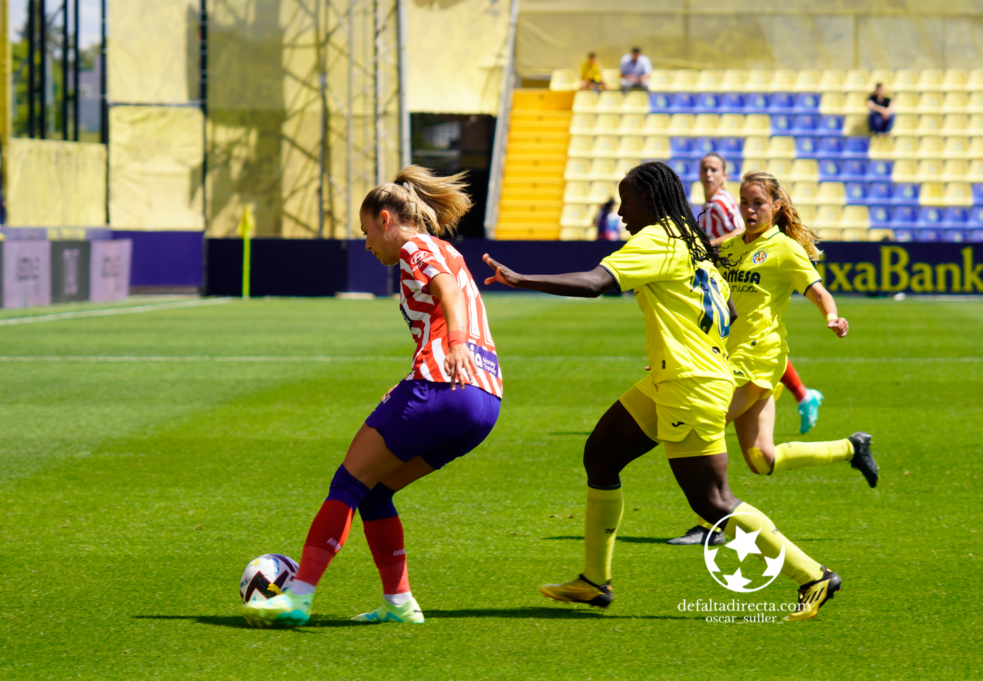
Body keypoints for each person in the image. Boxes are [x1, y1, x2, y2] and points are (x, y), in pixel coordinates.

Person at [484, 161, 843, 621]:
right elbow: (729, 307)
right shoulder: (691, 241)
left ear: (650, 201)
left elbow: (596, 284)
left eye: (626, 201)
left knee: (712, 502)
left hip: (690, 384)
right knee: (601, 455)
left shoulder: (656, 239)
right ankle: (595, 581)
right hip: (675, 376)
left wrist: (521, 280)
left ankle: (814, 575)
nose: (620, 212)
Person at [242, 167, 503, 628]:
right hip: (483, 401)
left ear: (386, 219)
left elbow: (446, 294)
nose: (367, 244)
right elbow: (442, 308)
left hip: (443, 383)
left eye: (366, 231)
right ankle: (399, 604)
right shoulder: (447, 249)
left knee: (348, 483)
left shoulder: (415, 247)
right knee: (377, 491)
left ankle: (297, 597)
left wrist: (457, 343)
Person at [669, 171, 878, 548]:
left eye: (758, 203)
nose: (749, 210)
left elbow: (818, 292)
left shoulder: (784, 248)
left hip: (759, 359)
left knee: (706, 425)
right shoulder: (730, 247)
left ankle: (708, 523)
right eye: (745, 203)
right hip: (730, 357)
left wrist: (831, 316)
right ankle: (851, 448)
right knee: (761, 460)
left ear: (776, 207)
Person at [698, 152, 823, 434]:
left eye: (714, 169)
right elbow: (737, 242)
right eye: (704, 169)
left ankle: (797, 393)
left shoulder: (722, 204)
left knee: (706, 425)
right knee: (761, 459)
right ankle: (804, 399)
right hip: (735, 330)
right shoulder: (713, 205)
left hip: (754, 350)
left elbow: (738, 236)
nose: (708, 175)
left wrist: (705, 248)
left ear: (724, 174)